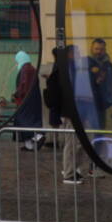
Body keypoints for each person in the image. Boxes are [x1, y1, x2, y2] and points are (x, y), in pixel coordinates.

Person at [44, 43, 87, 186]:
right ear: (69, 54)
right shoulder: (64, 69)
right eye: (76, 53)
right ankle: (69, 173)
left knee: (79, 143)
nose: (78, 55)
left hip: (77, 110)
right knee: (72, 143)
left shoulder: (73, 68)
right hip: (69, 111)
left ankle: (74, 170)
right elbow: (59, 93)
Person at [8, 52, 44, 149]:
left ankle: (38, 136)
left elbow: (24, 85)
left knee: (23, 121)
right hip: (33, 100)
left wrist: (16, 95)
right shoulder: (30, 68)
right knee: (29, 121)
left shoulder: (26, 69)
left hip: (26, 101)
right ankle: (29, 145)